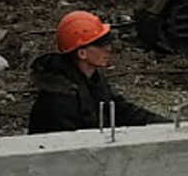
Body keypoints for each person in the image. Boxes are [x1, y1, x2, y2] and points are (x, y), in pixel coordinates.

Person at [28, 10, 167, 134]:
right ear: (82, 53)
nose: (109, 49)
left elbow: (123, 111)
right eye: (101, 45)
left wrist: (167, 126)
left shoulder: (92, 80)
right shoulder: (59, 98)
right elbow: (67, 148)